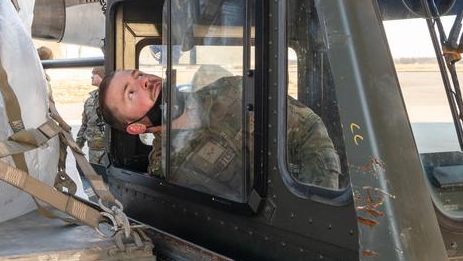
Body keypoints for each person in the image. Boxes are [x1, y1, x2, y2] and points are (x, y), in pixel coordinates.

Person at [98, 70, 340, 195]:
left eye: (138, 75)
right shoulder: (167, 167)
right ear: (137, 128)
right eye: (131, 93)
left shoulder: (229, 88)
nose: (145, 82)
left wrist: (316, 194)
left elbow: (308, 126)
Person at [76, 66, 107, 164]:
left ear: (103, 76)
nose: (91, 77)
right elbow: (85, 124)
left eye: (95, 74)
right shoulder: (90, 101)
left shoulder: (113, 99)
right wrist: (78, 145)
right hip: (93, 151)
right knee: (95, 178)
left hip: (108, 151)